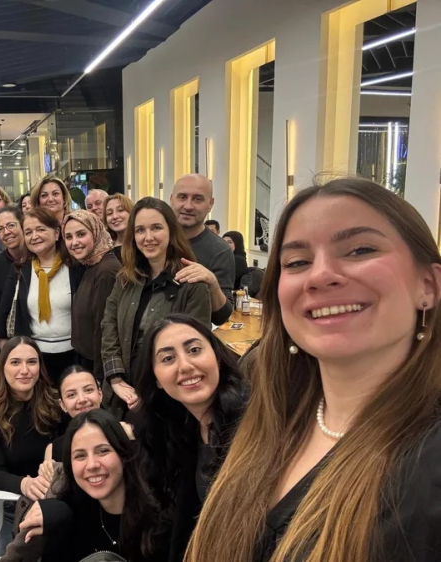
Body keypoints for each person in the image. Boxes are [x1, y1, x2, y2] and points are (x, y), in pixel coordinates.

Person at [187, 178, 441, 562]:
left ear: (428, 285)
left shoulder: (428, 461)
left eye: (360, 250)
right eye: (297, 262)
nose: (321, 275)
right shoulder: (271, 417)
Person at [136, 314, 247, 562]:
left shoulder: (252, 423)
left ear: (217, 357)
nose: (185, 366)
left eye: (194, 350)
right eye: (168, 358)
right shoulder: (181, 431)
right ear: (157, 380)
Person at [101, 197, 211, 418]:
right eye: (140, 230)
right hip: (123, 391)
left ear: (171, 232)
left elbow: (194, 348)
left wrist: (153, 391)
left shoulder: (192, 284)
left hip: (169, 398)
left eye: (156, 228)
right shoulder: (125, 278)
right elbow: (109, 325)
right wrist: (115, 377)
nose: (148, 237)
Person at [18, 409, 165, 562]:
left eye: (103, 451)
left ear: (123, 454)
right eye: (80, 455)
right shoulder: (69, 516)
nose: (92, 465)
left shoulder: (161, 515)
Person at [0, 208, 81, 380]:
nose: (34, 236)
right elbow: (4, 309)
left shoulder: (75, 266)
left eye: (40, 229)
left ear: (56, 233)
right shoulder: (20, 269)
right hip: (35, 358)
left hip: (74, 355)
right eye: (28, 232)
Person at [0, 336, 63, 498]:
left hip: (56, 489)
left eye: (31, 362)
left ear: (40, 366)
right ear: (2, 367)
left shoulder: (56, 402)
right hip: (14, 495)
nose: (24, 370)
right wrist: (25, 484)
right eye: (15, 362)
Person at [170, 174, 235, 325]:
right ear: (172, 199)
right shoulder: (156, 240)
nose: (188, 206)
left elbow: (222, 317)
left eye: (197, 199)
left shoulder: (220, 251)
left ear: (210, 204)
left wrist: (212, 282)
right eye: (182, 197)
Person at [63, 210, 120, 381]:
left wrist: (100, 378)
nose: (74, 242)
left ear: (96, 232)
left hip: (97, 368)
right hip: (85, 360)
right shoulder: (91, 265)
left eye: (81, 234)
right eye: (68, 237)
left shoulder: (107, 271)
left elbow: (105, 329)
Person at [0, 207, 29, 334]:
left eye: (11, 225)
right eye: (0, 229)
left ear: (22, 224)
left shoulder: (37, 256)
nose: (6, 232)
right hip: (13, 334)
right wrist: (0, 336)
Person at [104, 193, 134, 262]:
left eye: (120, 210)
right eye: (109, 213)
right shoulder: (105, 249)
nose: (115, 216)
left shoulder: (142, 244)